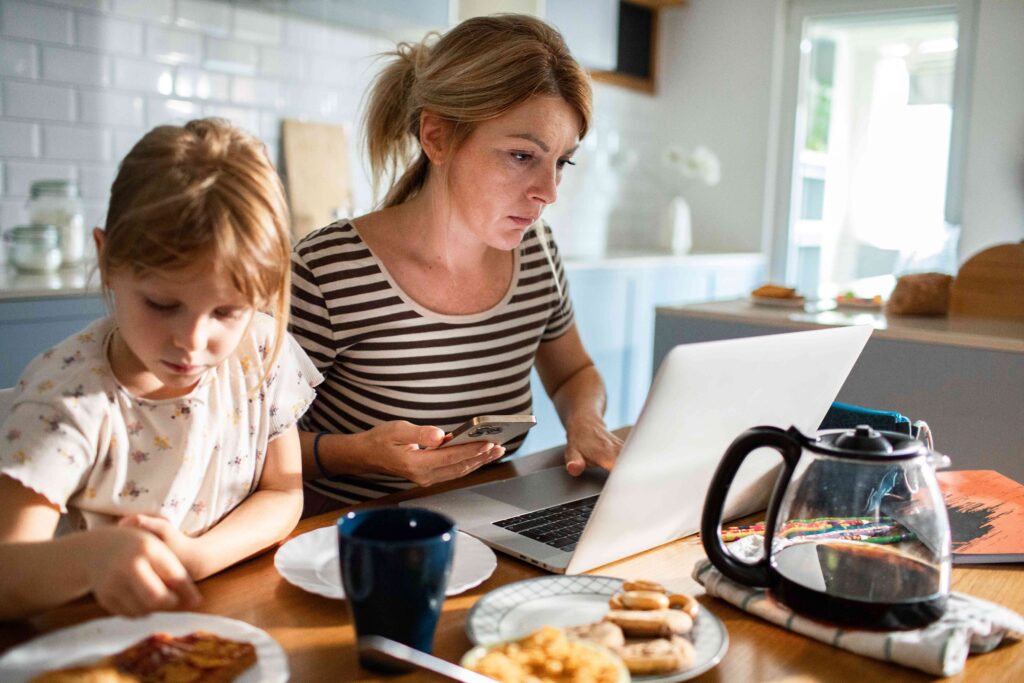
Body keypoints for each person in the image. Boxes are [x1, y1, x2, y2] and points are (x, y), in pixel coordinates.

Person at [290, 14, 623, 512]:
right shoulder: (326, 272)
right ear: (437, 138)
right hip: (349, 539)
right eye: (520, 156)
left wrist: (585, 420)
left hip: (493, 519)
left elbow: (573, 373)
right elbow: (245, 444)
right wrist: (360, 455)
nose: (549, 191)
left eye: (562, 162)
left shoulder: (536, 253)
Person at [0, 118, 322, 619]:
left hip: (221, 614)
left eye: (225, 312)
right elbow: (7, 576)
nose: (192, 341)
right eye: (161, 303)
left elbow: (283, 491)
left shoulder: (260, 347)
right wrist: (94, 560)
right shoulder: (69, 399)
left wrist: (197, 557)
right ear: (107, 261)